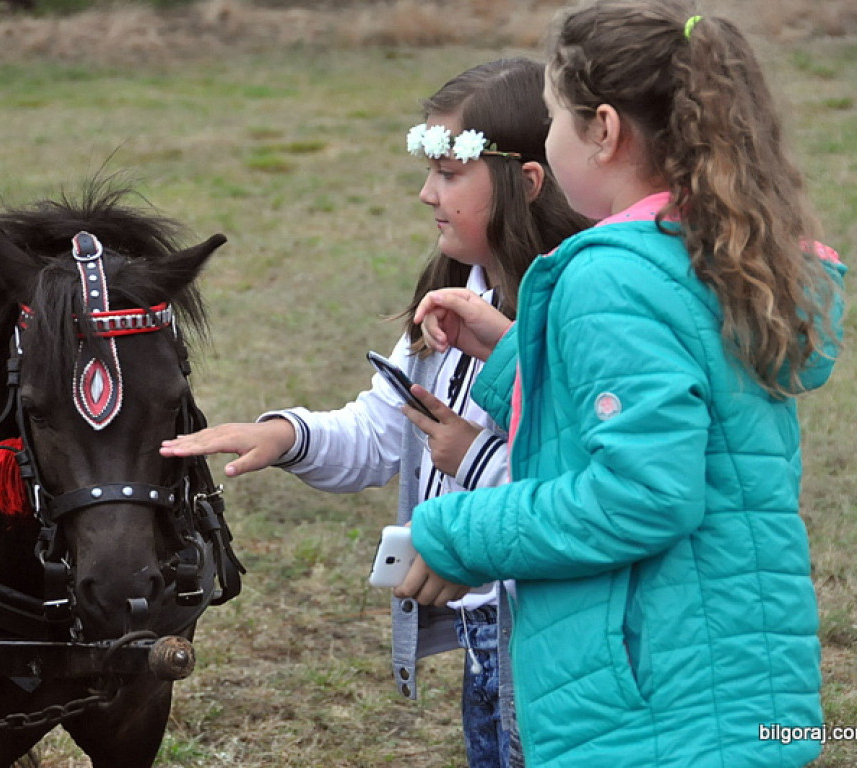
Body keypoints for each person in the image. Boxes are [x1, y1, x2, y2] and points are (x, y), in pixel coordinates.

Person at [400, 2, 847, 767]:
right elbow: (685, 418)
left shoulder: (612, 276)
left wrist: (460, 532)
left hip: (650, 707)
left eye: (551, 119)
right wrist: (517, 355)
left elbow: (641, 494)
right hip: (737, 690)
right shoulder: (710, 257)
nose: (545, 138)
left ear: (603, 130)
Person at [161, 58, 590, 767]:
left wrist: (470, 456)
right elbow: (380, 431)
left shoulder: (578, 312)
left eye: (449, 174)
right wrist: (285, 434)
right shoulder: (450, 298)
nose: (427, 194)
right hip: (486, 637)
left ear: (528, 183)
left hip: (557, 639)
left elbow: (585, 479)